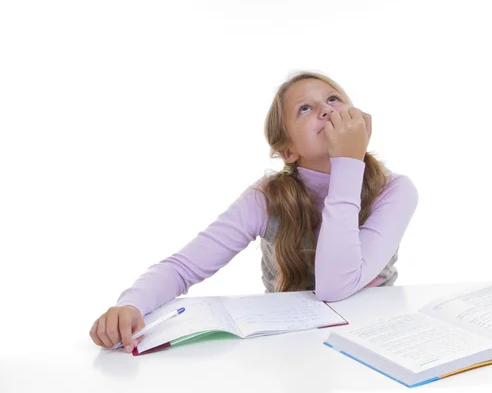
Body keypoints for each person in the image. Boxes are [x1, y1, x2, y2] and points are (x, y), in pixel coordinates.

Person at [89, 70, 419, 353]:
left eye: (333, 99)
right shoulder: (266, 198)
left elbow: (337, 286)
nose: (324, 109)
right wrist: (129, 305)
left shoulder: (395, 190)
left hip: (372, 343)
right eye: (305, 108)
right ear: (288, 150)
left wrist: (348, 164)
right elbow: (183, 268)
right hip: (291, 348)